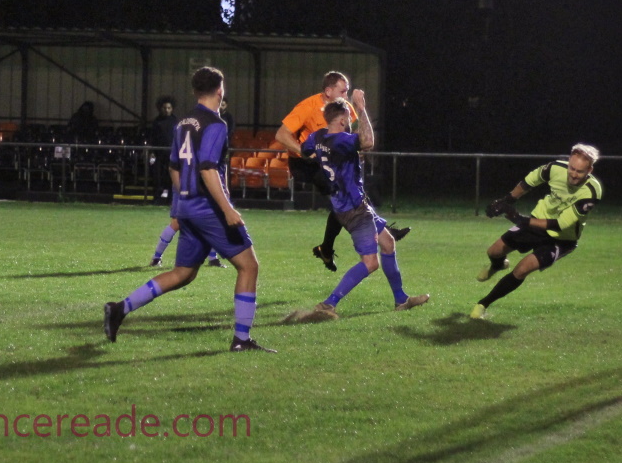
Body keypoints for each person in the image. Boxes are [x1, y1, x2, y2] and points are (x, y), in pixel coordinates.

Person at [105, 67, 274, 353]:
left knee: (184, 272)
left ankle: (120, 308)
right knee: (249, 266)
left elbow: (174, 167)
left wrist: (183, 199)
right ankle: (241, 340)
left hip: (187, 207)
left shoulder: (182, 123)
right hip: (208, 209)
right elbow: (208, 169)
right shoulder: (216, 124)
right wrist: (227, 209)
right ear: (220, 90)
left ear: (195, 91)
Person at [290, 91, 428, 322]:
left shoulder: (317, 136)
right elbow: (368, 142)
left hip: (348, 206)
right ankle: (328, 303)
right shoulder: (342, 140)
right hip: (354, 209)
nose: (352, 121)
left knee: (388, 242)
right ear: (342, 120)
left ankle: (401, 299)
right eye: (349, 117)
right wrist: (362, 108)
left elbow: (305, 150)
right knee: (370, 263)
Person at [275, 71, 409, 272]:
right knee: (342, 196)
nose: (346, 96)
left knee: (343, 197)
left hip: (328, 160)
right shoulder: (307, 107)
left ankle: (326, 249)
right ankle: (381, 231)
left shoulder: (344, 108)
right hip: (306, 163)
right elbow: (281, 134)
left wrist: (355, 151)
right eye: (343, 91)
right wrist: (304, 152)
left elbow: (350, 136)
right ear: (328, 91)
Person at [470, 143, 603, 320]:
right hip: (537, 221)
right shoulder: (555, 168)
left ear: (589, 170)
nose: (573, 174)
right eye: (572, 168)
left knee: (522, 269)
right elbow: (530, 181)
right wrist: (507, 200)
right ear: (568, 162)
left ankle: (483, 304)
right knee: (493, 251)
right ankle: (498, 265)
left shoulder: (592, 191)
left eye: (579, 171)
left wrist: (519, 219)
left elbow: (561, 224)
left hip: (562, 239)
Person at [150, 95, 178, 203]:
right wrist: (152, 152)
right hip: (159, 154)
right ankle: (157, 198)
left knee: (171, 177)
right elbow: (153, 137)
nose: (166, 110)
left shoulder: (175, 121)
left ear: (172, 109)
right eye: (164, 108)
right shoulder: (156, 122)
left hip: (172, 154)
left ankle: (171, 198)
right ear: (160, 108)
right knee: (158, 177)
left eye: (169, 108)